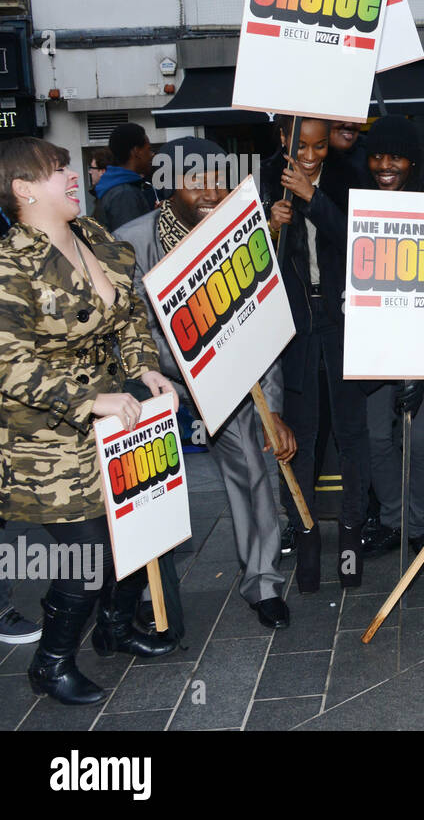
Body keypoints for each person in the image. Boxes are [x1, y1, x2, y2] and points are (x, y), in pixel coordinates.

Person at [0, 137, 177, 705]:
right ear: (23, 189)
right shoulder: (10, 264)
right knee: (87, 552)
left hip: (114, 419)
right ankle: (51, 666)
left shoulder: (94, 238)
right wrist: (90, 400)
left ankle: (116, 630)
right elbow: (10, 364)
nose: (72, 175)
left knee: (131, 530)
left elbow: (128, 318)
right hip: (43, 439)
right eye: (56, 171)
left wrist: (145, 370)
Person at [117, 136, 296, 629]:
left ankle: (263, 583)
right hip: (151, 381)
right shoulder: (130, 242)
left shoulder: (239, 235)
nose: (212, 192)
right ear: (166, 187)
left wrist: (272, 410)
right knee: (145, 484)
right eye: (197, 181)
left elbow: (261, 328)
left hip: (229, 375)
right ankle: (143, 596)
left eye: (221, 180)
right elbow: (122, 329)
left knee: (257, 469)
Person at [262, 115, 371, 593]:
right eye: (301, 145)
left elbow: (363, 243)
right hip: (294, 331)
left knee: (353, 437)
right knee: (300, 440)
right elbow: (245, 260)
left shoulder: (351, 176)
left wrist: (313, 198)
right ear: (283, 139)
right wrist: (266, 224)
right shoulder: (263, 179)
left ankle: (351, 538)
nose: (309, 156)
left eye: (320, 146)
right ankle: (305, 536)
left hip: (345, 324)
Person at [354, 117, 424, 566]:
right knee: (378, 439)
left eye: (395, 157)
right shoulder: (360, 202)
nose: (384, 165)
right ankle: (394, 523)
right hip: (372, 345)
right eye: (376, 155)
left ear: (414, 160)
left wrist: (422, 363)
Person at [93, 122, 158, 232]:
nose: (151, 154)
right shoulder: (124, 194)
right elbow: (133, 243)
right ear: (136, 151)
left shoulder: (117, 187)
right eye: (148, 149)